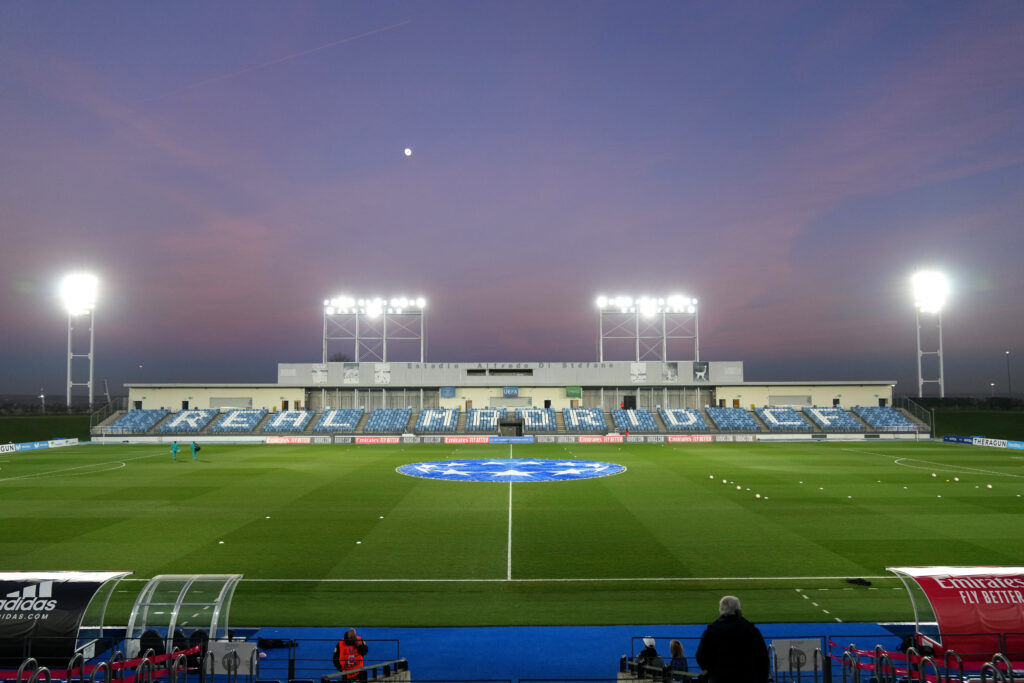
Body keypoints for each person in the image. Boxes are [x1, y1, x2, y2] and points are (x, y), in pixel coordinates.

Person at [696, 596, 769, 683]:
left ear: (721, 609)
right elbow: (763, 658)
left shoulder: (711, 630)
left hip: (719, 678)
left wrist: (711, 671)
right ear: (738, 610)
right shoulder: (750, 629)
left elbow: (700, 655)